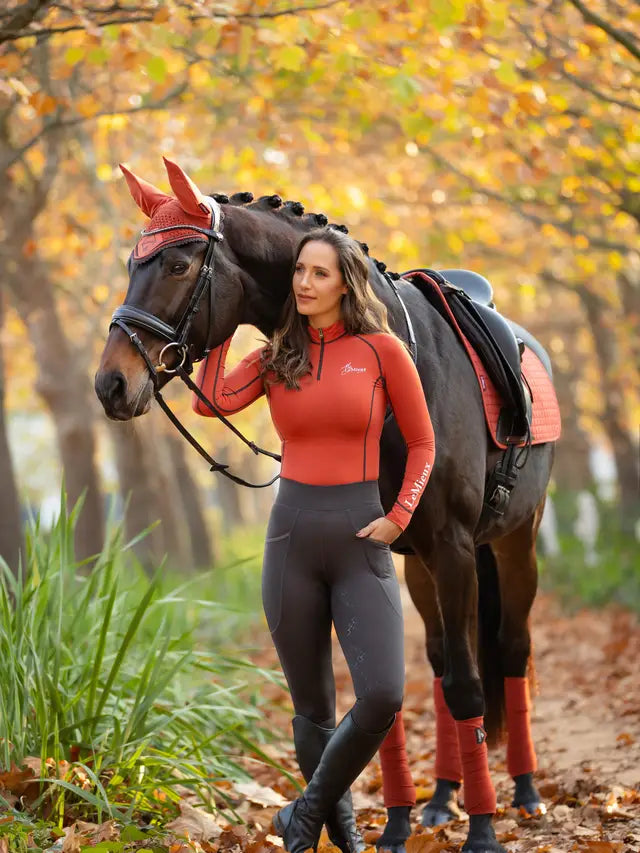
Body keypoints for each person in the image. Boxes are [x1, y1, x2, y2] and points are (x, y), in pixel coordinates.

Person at [192, 228, 435, 853]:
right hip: (291, 541)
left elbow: (422, 443)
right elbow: (211, 402)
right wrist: (222, 330)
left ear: (346, 284)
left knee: (381, 695)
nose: (304, 282)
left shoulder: (382, 351)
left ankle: (302, 813)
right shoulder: (278, 356)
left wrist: (400, 515)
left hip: (362, 538)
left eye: (320, 273)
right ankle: (335, 835)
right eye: (300, 270)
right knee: (313, 710)